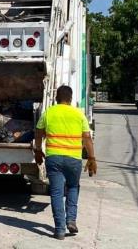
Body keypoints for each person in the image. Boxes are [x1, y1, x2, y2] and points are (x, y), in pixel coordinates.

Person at [34, 85, 97, 240]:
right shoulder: (79, 114)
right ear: (70, 98)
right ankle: (71, 220)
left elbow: (38, 132)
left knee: (56, 192)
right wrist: (91, 158)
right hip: (74, 159)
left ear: (56, 98)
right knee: (73, 187)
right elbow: (87, 137)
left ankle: (60, 230)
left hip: (54, 158)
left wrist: (37, 150)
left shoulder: (48, 113)